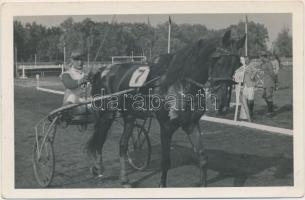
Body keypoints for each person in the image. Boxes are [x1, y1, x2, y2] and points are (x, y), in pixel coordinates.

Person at [260, 51, 277, 116]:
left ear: (263, 57)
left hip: (269, 82)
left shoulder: (269, 63)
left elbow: (272, 73)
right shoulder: (264, 63)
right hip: (265, 83)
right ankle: (270, 109)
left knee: (268, 96)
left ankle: (270, 112)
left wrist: (275, 81)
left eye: (260, 57)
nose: (260, 59)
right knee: (264, 96)